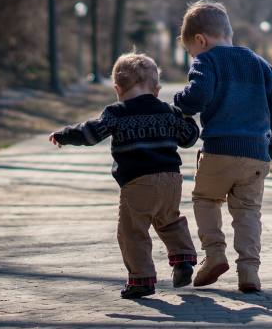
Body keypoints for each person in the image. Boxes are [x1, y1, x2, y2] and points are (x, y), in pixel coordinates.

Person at [49, 52, 199, 299]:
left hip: (138, 182)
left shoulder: (116, 113)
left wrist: (65, 135)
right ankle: (183, 259)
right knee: (169, 220)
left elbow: (90, 133)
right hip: (171, 180)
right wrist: (187, 118)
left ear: (117, 89)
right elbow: (188, 138)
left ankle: (141, 279)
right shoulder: (168, 111)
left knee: (132, 231)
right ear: (157, 89)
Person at [174, 0, 272, 293]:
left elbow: (197, 97)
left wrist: (179, 101)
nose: (193, 56)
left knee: (205, 199)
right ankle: (249, 271)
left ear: (201, 40)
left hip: (219, 150)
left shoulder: (206, 61)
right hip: (255, 155)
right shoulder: (260, 64)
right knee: (248, 211)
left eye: (191, 52)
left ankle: (214, 254)